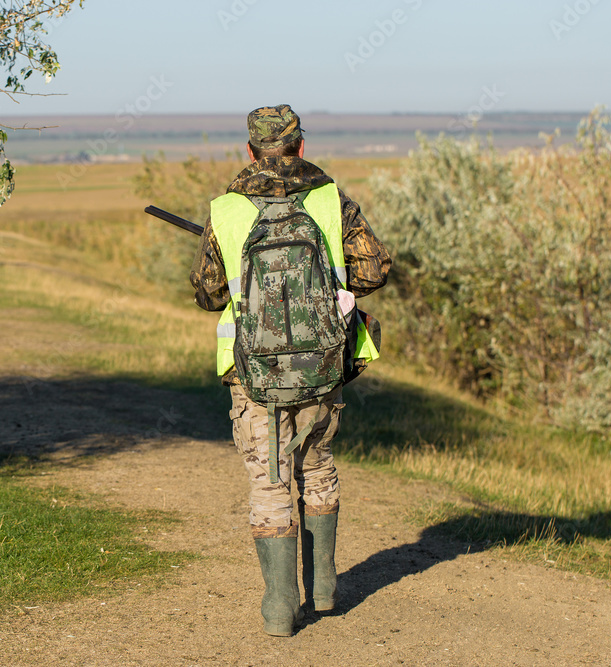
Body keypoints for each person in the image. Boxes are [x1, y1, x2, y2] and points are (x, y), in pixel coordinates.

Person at [190, 105, 391, 637]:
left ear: (250, 150)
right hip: (323, 366)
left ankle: (280, 610)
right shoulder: (330, 200)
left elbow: (208, 295)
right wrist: (328, 290)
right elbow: (375, 270)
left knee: (269, 481)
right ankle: (323, 590)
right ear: (301, 146)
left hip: (252, 373)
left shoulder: (226, 210)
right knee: (317, 467)